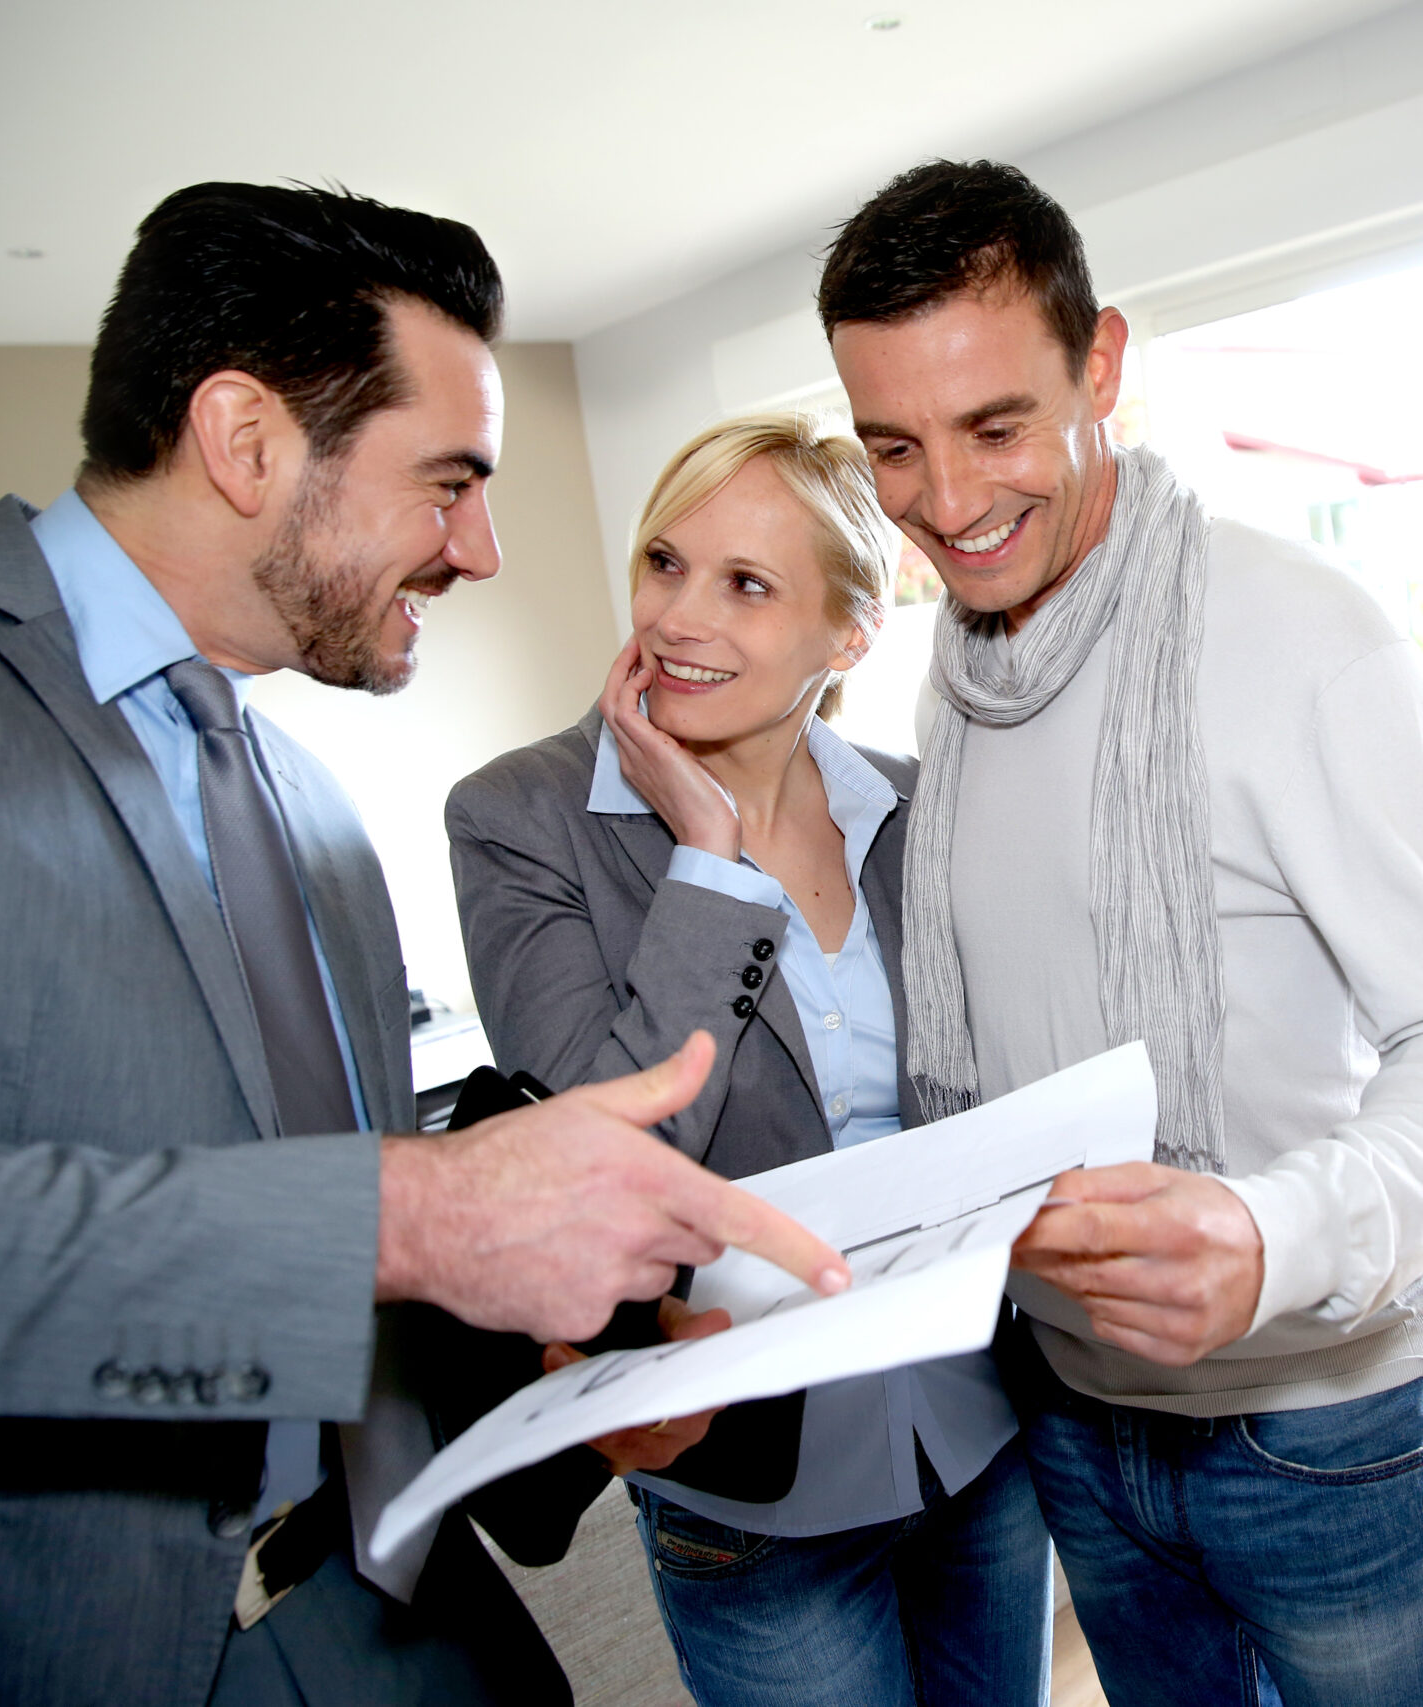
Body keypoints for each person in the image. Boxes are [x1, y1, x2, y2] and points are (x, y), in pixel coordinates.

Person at [0, 183, 848, 1707]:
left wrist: (565, 1388)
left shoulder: (322, 820)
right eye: (449, 483)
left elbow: (347, 1311)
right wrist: (408, 1215)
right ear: (248, 441)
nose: (480, 552)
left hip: (396, 1627)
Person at [819, 159, 1423, 1707]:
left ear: (1103, 366)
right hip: (1075, 1417)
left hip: (1325, 1423)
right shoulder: (949, 680)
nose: (947, 505)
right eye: (894, 447)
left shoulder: (1307, 638)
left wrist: (1275, 1236)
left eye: (998, 427)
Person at [446, 412, 1053, 1707]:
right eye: (664, 564)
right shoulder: (519, 821)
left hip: (974, 1429)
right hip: (753, 1480)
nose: (678, 618)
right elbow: (602, 1159)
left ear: (848, 633)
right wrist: (711, 865)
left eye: (747, 584)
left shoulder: (916, 806)